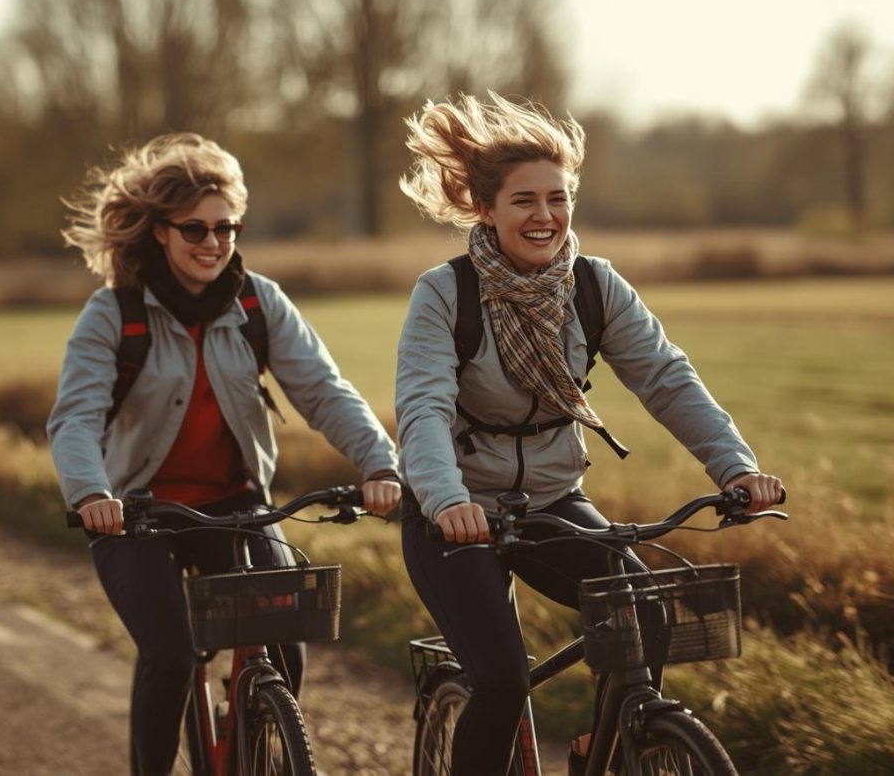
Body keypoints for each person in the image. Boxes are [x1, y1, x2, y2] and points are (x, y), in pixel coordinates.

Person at [394, 92, 783, 776]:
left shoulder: (594, 288)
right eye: (524, 200)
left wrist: (735, 467)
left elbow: (666, 379)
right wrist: (445, 499)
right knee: (503, 678)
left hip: (549, 501)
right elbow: (423, 407)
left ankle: (597, 751)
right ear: (486, 209)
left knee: (645, 621)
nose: (545, 216)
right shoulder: (446, 294)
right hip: (452, 514)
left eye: (558, 197)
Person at [46, 132, 400, 774]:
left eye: (227, 228)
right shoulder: (114, 314)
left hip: (235, 506)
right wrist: (91, 493)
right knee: (173, 655)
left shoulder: (258, 303)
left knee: (286, 644)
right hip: (135, 515)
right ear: (160, 232)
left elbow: (324, 392)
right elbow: (75, 417)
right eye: (195, 230)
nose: (213, 243)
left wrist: (380, 464)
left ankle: (252, 747)